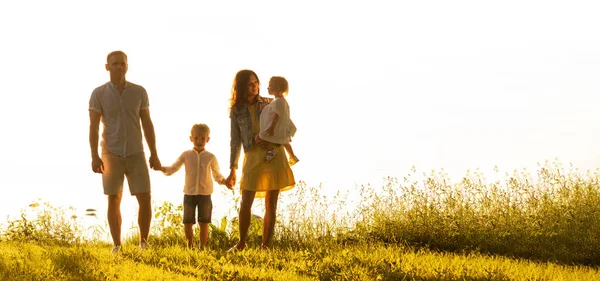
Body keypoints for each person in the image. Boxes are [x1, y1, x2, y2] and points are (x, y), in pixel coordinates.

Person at [88, 50, 162, 253]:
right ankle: (117, 245)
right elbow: (93, 127)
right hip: (110, 152)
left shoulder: (139, 92)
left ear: (127, 66)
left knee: (145, 197)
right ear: (107, 67)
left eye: (123, 63)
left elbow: (147, 123)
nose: (119, 67)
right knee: (114, 198)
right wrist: (94, 155)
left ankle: (144, 243)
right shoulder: (98, 93)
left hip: (136, 151)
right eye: (115, 63)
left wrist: (154, 152)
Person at [225, 69, 296, 251]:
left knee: (271, 203)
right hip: (252, 156)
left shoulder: (270, 103)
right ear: (240, 86)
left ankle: (265, 246)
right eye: (249, 83)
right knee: (245, 202)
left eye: (256, 82)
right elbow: (235, 141)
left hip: (274, 155)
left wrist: (269, 139)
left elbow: (284, 127)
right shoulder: (236, 110)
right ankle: (241, 243)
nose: (254, 86)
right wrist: (233, 168)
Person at [160, 123, 232, 249]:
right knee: (187, 221)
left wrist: (223, 181)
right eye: (196, 138)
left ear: (207, 139)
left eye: (203, 138)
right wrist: (162, 168)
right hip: (189, 193)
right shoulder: (186, 155)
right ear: (191, 138)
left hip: (205, 194)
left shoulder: (211, 157)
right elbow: (173, 168)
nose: (199, 141)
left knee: (203, 222)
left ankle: (202, 246)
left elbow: (216, 174)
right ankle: (190, 245)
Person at [258, 76, 300, 166]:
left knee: (261, 137)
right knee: (284, 141)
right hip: (281, 126)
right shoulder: (281, 101)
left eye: (269, 86)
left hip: (276, 127)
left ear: (276, 87)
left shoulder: (278, 101)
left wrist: (271, 127)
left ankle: (270, 150)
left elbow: (276, 115)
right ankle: (292, 156)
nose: (267, 88)